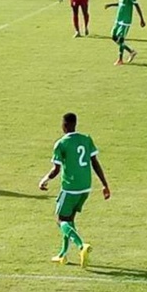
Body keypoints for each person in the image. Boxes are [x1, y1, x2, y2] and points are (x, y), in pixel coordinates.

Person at [39, 113, 110, 267]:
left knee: (60, 220)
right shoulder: (86, 139)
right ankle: (63, 254)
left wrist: (44, 180)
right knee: (69, 220)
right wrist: (104, 184)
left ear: (64, 125)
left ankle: (81, 246)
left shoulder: (61, 143)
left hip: (70, 189)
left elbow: (56, 169)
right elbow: (95, 162)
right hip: (85, 188)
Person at [105, 0, 146, 65]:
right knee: (113, 36)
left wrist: (141, 19)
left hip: (125, 21)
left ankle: (120, 59)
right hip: (118, 19)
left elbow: (136, 5)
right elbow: (120, 4)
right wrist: (110, 5)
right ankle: (131, 51)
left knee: (120, 39)